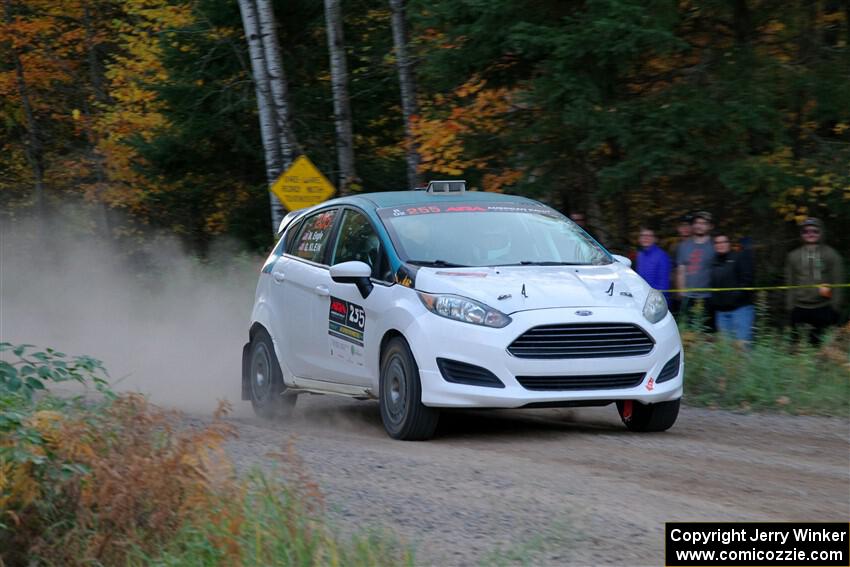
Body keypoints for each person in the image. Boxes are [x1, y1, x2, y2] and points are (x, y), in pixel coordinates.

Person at [785, 218, 845, 345]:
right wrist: (790, 308)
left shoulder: (832, 254)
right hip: (799, 309)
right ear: (801, 234)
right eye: (806, 231)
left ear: (821, 233)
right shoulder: (793, 256)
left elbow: (838, 284)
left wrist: (835, 308)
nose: (810, 234)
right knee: (797, 348)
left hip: (823, 308)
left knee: (823, 347)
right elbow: (790, 284)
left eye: (814, 231)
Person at [709, 232, 755, 342]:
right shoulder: (713, 262)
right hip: (721, 311)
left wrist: (736, 296)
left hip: (740, 309)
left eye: (723, 242)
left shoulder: (739, 257)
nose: (720, 245)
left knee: (742, 345)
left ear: (729, 244)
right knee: (726, 349)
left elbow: (747, 280)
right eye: (717, 242)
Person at [675, 211, 715, 329]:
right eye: (697, 222)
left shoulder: (715, 245)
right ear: (693, 225)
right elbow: (681, 270)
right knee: (688, 331)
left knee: (708, 332)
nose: (699, 225)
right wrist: (681, 292)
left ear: (709, 226)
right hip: (689, 297)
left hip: (709, 297)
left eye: (703, 223)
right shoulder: (684, 245)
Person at [636, 227, 671, 300]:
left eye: (649, 236)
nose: (646, 238)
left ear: (654, 239)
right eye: (643, 235)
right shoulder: (640, 255)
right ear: (639, 239)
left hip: (657, 301)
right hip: (642, 297)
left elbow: (664, 285)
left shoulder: (662, 256)